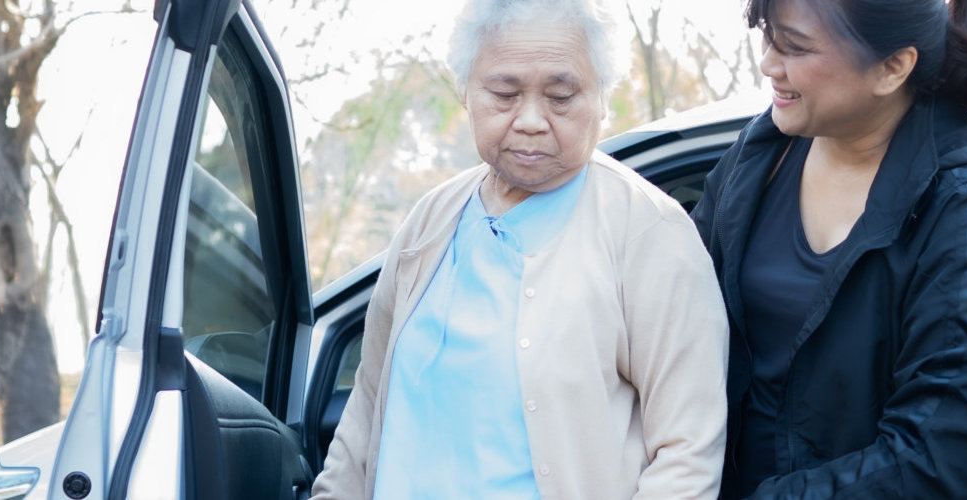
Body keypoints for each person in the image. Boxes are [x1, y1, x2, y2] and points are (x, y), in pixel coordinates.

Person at [310, 0, 728, 497]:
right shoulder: (429, 220)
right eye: (505, 94)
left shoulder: (649, 232)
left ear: (602, 98)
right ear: (466, 92)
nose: (531, 120)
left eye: (561, 96)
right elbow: (367, 406)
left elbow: (687, 453)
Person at [691, 0, 967, 497]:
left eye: (794, 46)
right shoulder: (758, 157)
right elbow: (672, 317)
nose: (769, 63)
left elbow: (940, 457)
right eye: (769, 37)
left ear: (892, 68)